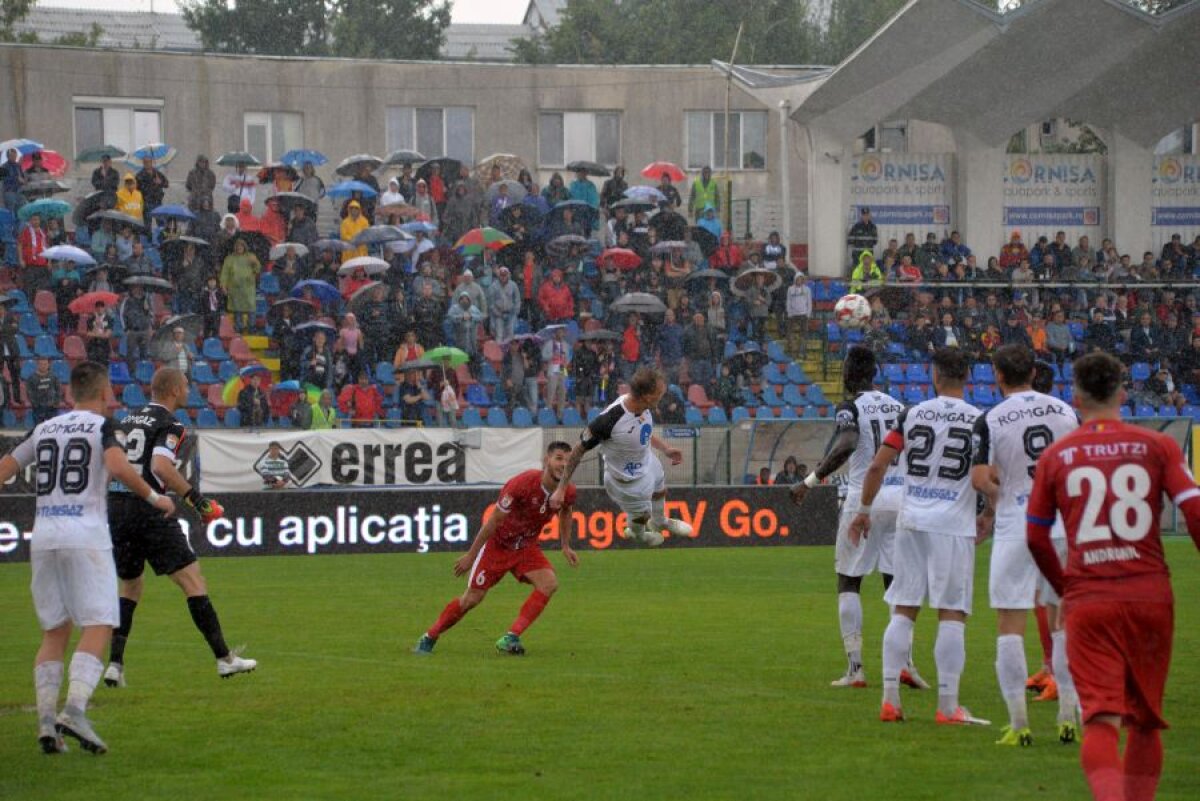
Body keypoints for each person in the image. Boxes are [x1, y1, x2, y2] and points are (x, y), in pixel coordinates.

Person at [1027, 352, 1200, 801]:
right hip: (1149, 594)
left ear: (1075, 396)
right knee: (1145, 720)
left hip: (1089, 598)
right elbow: (1194, 510)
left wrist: (1066, 588)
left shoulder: (1057, 455)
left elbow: (1036, 538)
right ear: (1123, 393)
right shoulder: (1156, 445)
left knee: (1102, 718)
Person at [0, 362, 175, 755]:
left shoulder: (43, 428)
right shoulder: (102, 426)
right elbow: (116, 466)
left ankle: (46, 722)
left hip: (44, 536)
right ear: (102, 392)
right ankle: (75, 710)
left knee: (54, 631)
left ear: (70, 392)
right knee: (100, 623)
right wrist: (154, 497)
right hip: (85, 534)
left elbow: (6, 469)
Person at [849, 348, 984, 725]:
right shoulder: (979, 420)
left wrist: (863, 511)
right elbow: (985, 474)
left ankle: (890, 701)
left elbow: (877, 465)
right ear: (968, 376)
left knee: (904, 608)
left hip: (912, 521)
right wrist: (989, 512)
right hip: (953, 527)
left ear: (934, 375)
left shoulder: (911, 414)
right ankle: (947, 707)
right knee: (952, 613)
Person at [104, 367, 256, 688]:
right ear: (173, 390)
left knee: (131, 586)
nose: (189, 390)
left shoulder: (128, 420)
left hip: (116, 508)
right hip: (149, 507)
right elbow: (160, 466)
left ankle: (115, 665)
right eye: (186, 385)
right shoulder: (170, 423)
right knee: (192, 580)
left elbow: (111, 466)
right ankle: (225, 660)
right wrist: (198, 502)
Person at [791, 347, 928, 690]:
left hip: (865, 498)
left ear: (850, 374)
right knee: (896, 584)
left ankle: (856, 668)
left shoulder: (850, 407)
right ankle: (905, 663)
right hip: (900, 499)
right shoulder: (900, 407)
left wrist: (810, 480)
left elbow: (848, 443)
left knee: (849, 580)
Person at [969, 345, 1079, 747]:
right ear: (1033, 372)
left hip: (1018, 525)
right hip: (1063, 527)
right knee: (1063, 620)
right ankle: (1068, 718)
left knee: (1009, 623)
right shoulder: (1066, 412)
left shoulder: (991, 418)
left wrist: (999, 502)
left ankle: (1020, 725)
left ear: (997, 375)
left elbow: (980, 478)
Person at [415, 441, 580, 656]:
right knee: (471, 599)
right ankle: (430, 636)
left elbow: (566, 511)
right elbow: (493, 521)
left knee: (549, 583)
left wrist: (565, 545)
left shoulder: (568, 491)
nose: (563, 464)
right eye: (559, 458)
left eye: (568, 460)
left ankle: (511, 637)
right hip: (498, 545)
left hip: (525, 547)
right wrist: (471, 556)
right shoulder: (522, 484)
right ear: (546, 460)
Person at [550, 368, 691, 546]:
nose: (662, 396)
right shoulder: (609, 420)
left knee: (660, 489)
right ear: (647, 396)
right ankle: (639, 535)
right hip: (626, 482)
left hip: (647, 460)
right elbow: (578, 450)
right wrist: (561, 488)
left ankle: (660, 521)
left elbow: (642, 433)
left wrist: (666, 449)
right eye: (659, 393)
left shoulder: (643, 407)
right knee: (639, 520)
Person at [219, 238, 261, 334]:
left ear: (244, 247)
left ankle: (252, 327)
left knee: (251, 309)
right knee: (237, 309)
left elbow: (258, 269)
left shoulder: (251, 256)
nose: (239, 247)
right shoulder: (229, 258)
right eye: (237, 246)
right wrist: (223, 285)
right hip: (235, 289)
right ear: (235, 247)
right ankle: (239, 328)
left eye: (241, 246)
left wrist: (255, 262)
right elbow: (224, 273)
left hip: (248, 288)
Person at [542, 327, 571, 420]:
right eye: (559, 332)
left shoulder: (566, 345)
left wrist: (566, 360)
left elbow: (569, 356)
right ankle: (548, 416)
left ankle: (560, 416)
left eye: (562, 332)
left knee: (563, 394)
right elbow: (543, 355)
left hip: (563, 371)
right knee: (551, 393)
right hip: (553, 371)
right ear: (555, 333)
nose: (561, 334)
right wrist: (551, 356)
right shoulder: (549, 344)